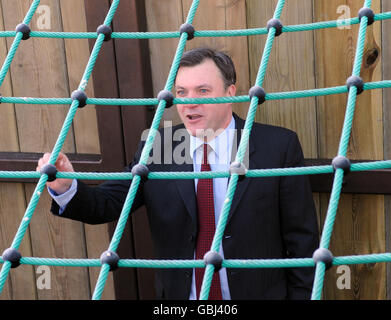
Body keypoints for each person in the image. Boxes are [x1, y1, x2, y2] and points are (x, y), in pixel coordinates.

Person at [37, 47, 319, 300]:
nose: (189, 102)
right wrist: (65, 187)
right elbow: (108, 204)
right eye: (182, 92)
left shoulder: (276, 147)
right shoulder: (159, 147)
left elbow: (302, 240)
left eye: (203, 91)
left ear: (230, 92)